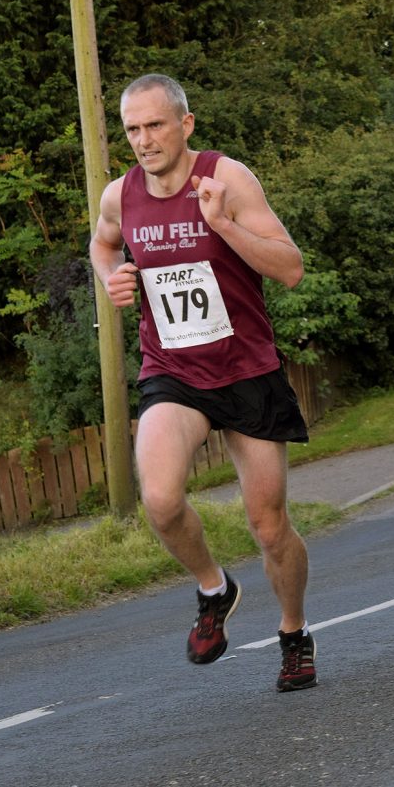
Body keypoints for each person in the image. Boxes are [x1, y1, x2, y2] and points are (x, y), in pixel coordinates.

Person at [90, 72, 317, 692]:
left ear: (185, 124)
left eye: (155, 125)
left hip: (246, 370)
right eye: (132, 129)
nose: (143, 140)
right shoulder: (120, 195)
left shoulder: (228, 179)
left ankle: (293, 632)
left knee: (269, 526)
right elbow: (103, 245)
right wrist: (111, 277)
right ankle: (215, 590)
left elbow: (291, 268)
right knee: (161, 500)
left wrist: (224, 226)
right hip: (173, 370)